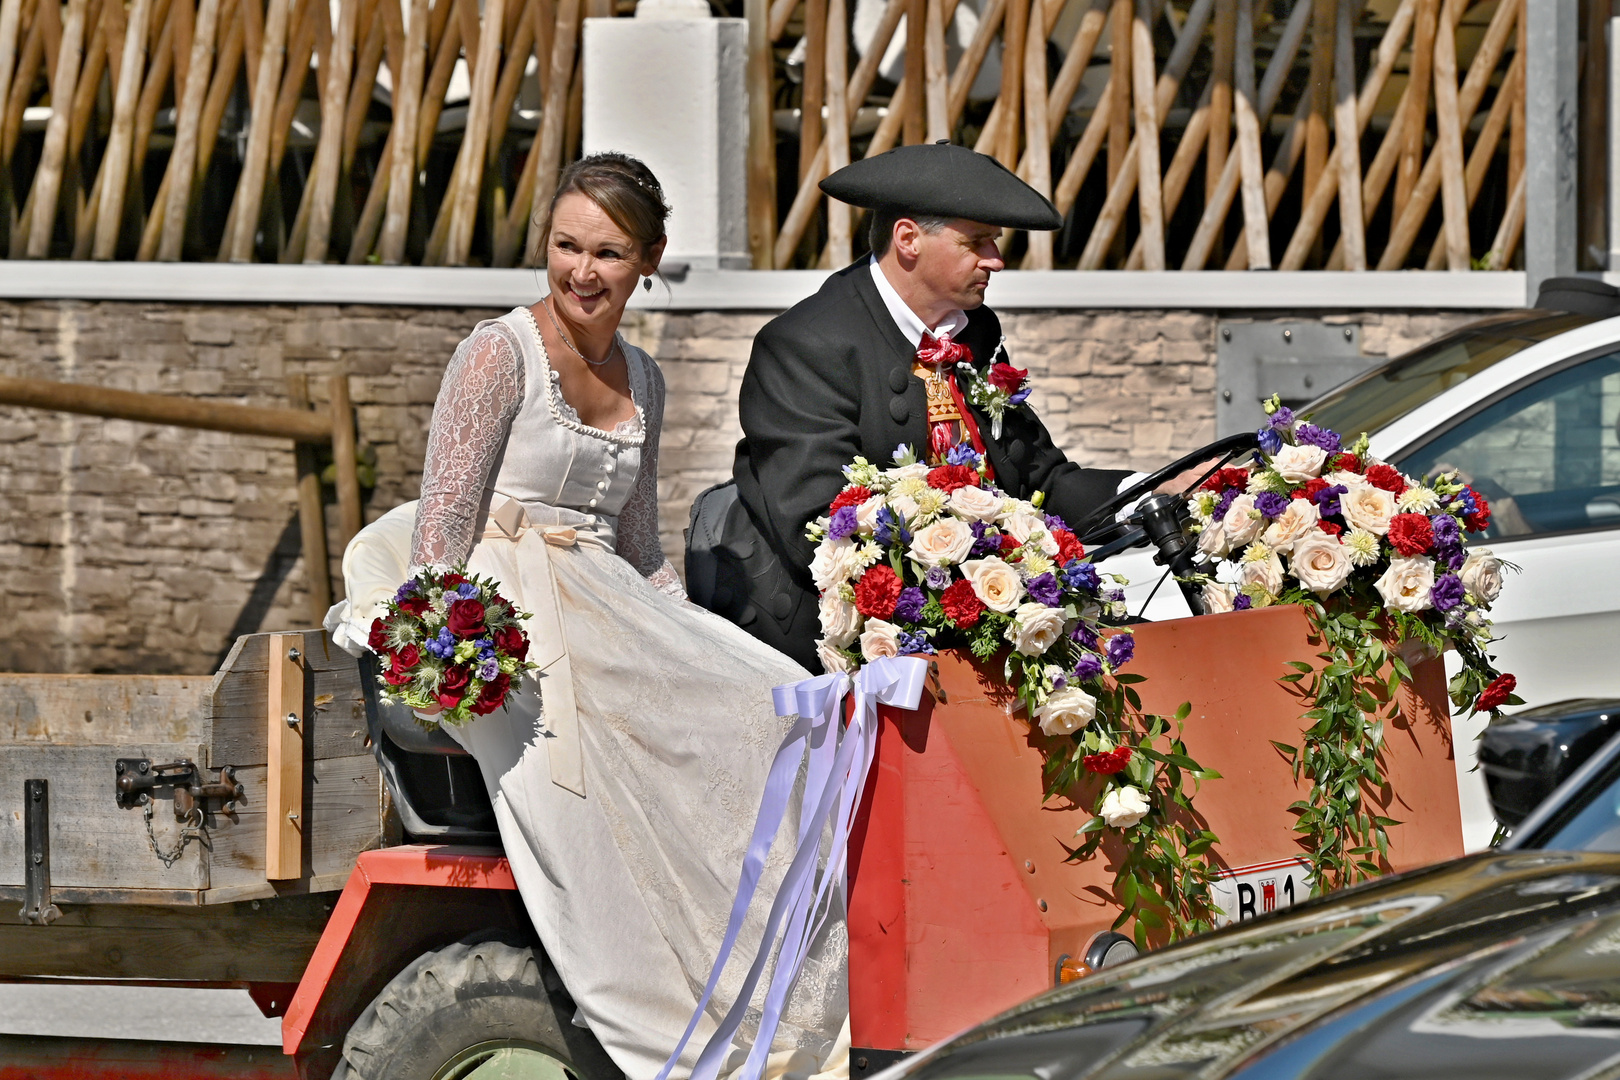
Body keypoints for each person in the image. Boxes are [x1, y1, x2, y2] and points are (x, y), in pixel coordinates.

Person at [333, 153, 848, 1080]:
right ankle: (656, 994)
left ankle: (751, 977)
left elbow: (642, 545)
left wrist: (694, 641)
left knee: (773, 696)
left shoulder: (643, 376)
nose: (581, 271)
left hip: (603, 587)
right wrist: (454, 645)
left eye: (607, 253)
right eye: (566, 246)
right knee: (615, 755)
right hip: (506, 599)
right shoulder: (500, 352)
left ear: (648, 260)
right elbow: (442, 532)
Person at [724, 142, 1166, 672]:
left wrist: (1150, 491)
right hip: (846, 649)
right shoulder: (803, 344)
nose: (996, 261)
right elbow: (824, 530)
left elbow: (1039, 474)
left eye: (995, 243)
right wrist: (991, 573)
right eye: (976, 242)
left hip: (989, 621)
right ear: (907, 239)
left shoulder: (975, 330)